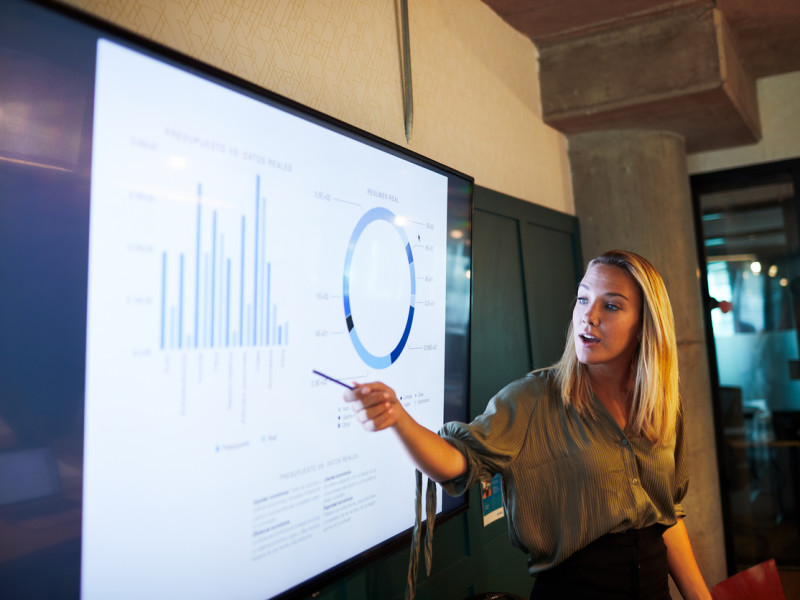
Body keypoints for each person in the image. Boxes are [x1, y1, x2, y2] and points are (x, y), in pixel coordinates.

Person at [345, 250, 713, 600]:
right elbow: (457, 462)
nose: (589, 316)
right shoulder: (533, 398)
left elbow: (668, 516)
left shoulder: (661, 404)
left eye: (611, 305)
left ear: (645, 325)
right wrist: (398, 419)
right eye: (583, 299)